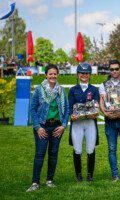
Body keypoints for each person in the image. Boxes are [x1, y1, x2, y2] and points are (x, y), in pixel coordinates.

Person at [27, 64, 69, 192]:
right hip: (42, 126)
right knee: (40, 154)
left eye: (55, 74)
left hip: (56, 127)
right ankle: (35, 183)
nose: (53, 76)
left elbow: (67, 109)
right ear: (46, 75)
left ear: (58, 75)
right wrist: (37, 127)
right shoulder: (39, 90)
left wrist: (63, 125)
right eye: (50, 74)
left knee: (53, 154)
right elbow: (32, 109)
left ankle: (50, 180)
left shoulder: (61, 90)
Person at [68, 62, 100, 182]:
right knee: (77, 149)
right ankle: (79, 175)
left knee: (90, 149)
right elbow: (70, 107)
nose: (84, 75)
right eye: (82, 73)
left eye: (86, 73)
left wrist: (94, 112)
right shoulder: (72, 90)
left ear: (90, 74)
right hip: (77, 123)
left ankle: (90, 175)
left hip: (90, 122)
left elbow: (95, 105)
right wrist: (72, 115)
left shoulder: (94, 89)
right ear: (77, 74)